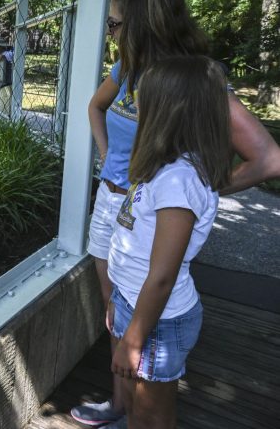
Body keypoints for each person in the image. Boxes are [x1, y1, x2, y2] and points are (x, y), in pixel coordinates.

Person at [71, 0, 280, 428]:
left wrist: (192, 197)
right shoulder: (127, 68)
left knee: (141, 335)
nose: (112, 34)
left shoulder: (193, 81)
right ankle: (121, 407)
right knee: (117, 307)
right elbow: (95, 107)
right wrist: (114, 165)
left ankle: (136, 406)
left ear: (143, 24)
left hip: (149, 218)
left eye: (115, 24)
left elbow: (269, 158)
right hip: (118, 205)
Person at [109, 55, 230, 429]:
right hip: (135, 304)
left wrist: (132, 339)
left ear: (169, 111)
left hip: (157, 321)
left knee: (151, 413)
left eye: (144, 100)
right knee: (132, 400)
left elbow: (162, 276)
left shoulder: (179, 180)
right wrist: (119, 300)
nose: (136, 105)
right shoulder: (166, 166)